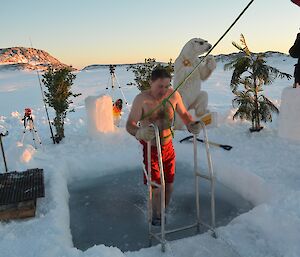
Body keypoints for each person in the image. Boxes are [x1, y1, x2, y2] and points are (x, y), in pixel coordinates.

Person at [126, 68, 202, 226]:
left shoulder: (173, 95)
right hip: (151, 149)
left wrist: (191, 124)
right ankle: (156, 217)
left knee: (169, 186)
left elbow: (185, 115)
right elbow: (129, 125)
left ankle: (163, 210)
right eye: (160, 86)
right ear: (151, 83)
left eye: (166, 86)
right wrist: (139, 132)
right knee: (156, 187)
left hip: (168, 147)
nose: (163, 90)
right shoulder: (141, 99)